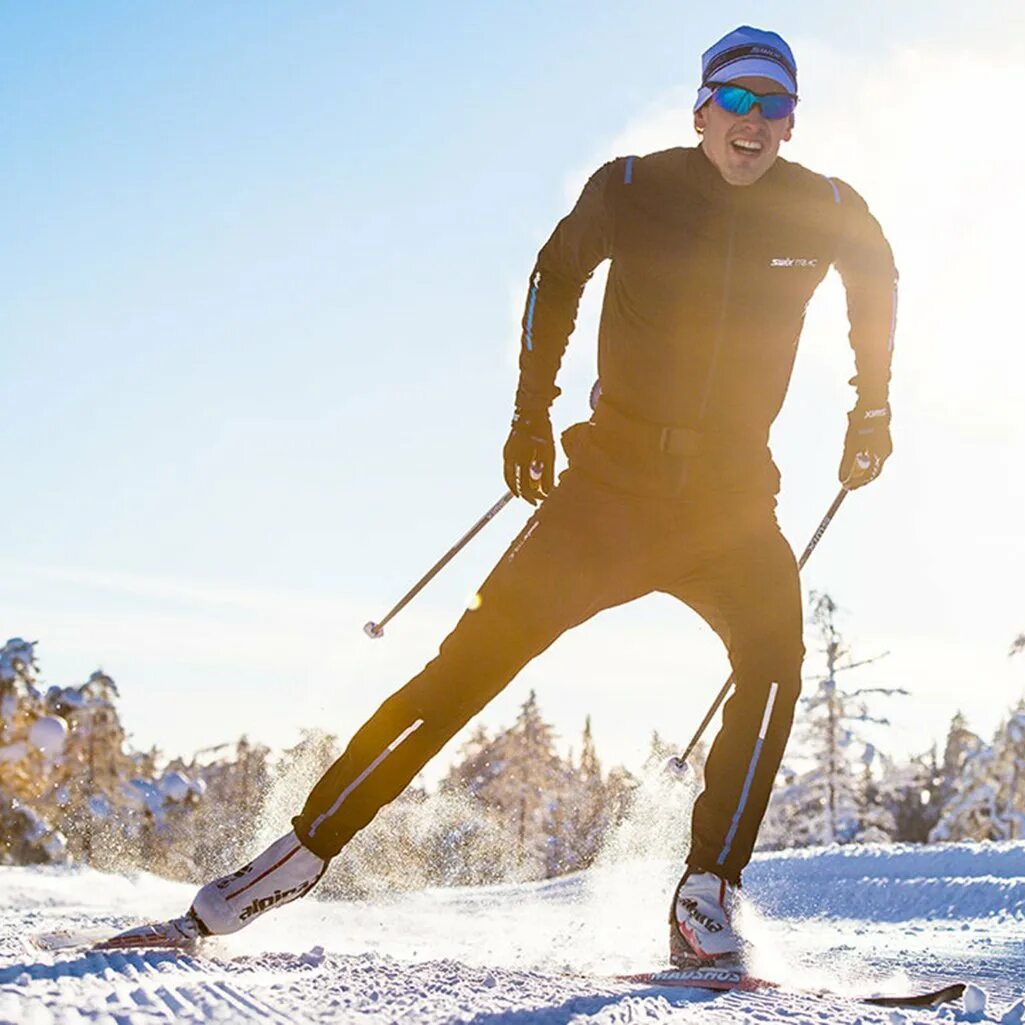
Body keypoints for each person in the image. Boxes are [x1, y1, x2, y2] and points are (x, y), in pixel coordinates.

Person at [141, 25, 897, 968]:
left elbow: (877, 270)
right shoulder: (632, 187)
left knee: (777, 660)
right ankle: (295, 856)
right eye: (735, 100)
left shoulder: (822, 207)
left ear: (791, 123)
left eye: (772, 104)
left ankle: (707, 891)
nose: (752, 122)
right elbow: (556, 273)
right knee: (464, 672)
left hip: (731, 503)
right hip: (611, 491)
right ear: (700, 109)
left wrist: (874, 403)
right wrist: (530, 411)